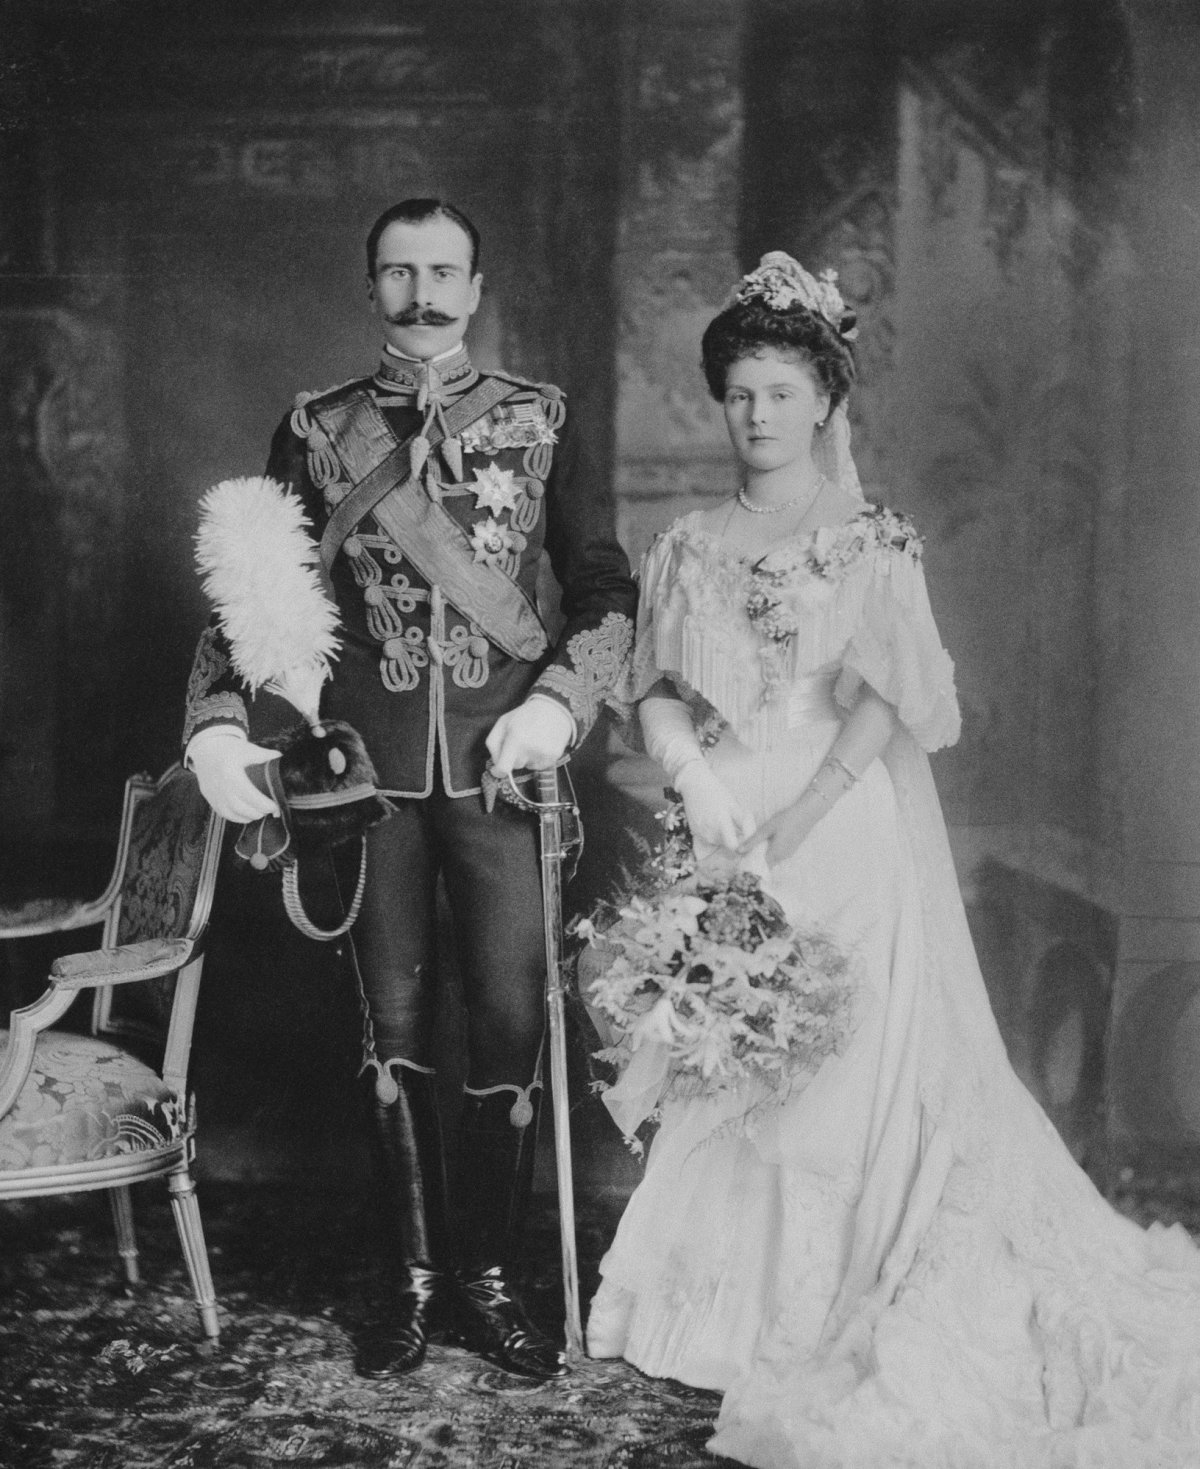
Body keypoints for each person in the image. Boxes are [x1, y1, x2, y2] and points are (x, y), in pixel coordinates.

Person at [587, 252, 1200, 1466]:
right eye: (740, 393)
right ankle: (713, 1311)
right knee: (727, 1043)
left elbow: (885, 702)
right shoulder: (689, 542)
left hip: (839, 814)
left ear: (825, 400)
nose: (758, 413)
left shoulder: (872, 537)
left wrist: (803, 809)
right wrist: (696, 778)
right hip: (722, 812)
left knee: (838, 1054)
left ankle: (821, 1298)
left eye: (780, 390)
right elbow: (656, 685)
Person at [183, 198, 636, 1381]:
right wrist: (218, 728)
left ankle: (486, 1280)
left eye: (443, 273)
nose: (422, 294)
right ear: (370, 285)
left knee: (507, 1023)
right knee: (387, 1030)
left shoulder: (545, 419)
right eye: (399, 273)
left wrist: (559, 705)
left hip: (505, 774)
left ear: (479, 287)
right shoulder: (318, 427)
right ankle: (411, 1278)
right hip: (368, 780)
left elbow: (602, 591)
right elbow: (252, 586)